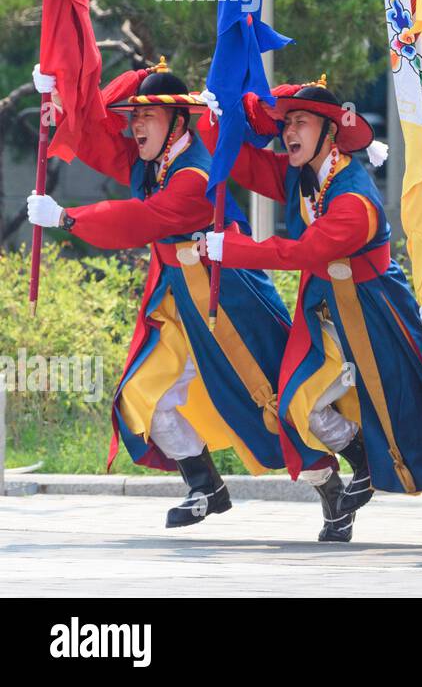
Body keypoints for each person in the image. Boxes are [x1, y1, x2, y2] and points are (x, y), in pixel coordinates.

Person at [25, 60, 327, 533]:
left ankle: (328, 484)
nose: (135, 125)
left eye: (147, 117)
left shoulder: (194, 175)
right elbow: (100, 142)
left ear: (179, 123)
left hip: (222, 299)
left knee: (265, 397)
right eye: (134, 116)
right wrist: (63, 98)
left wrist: (67, 218)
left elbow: (140, 220)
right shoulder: (152, 161)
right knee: (142, 396)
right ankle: (205, 485)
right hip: (174, 300)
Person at [195, 77, 422, 546]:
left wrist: (232, 250)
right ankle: (360, 462)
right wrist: (215, 114)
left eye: (300, 122)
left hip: (375, 310)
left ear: (330, 133)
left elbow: (301, 252)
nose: (288, 132)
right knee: (299, 404)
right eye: (286, 123)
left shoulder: (354, 200)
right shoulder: (301, 173)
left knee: (406, 410)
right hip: (324, 312)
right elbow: (236, 160)